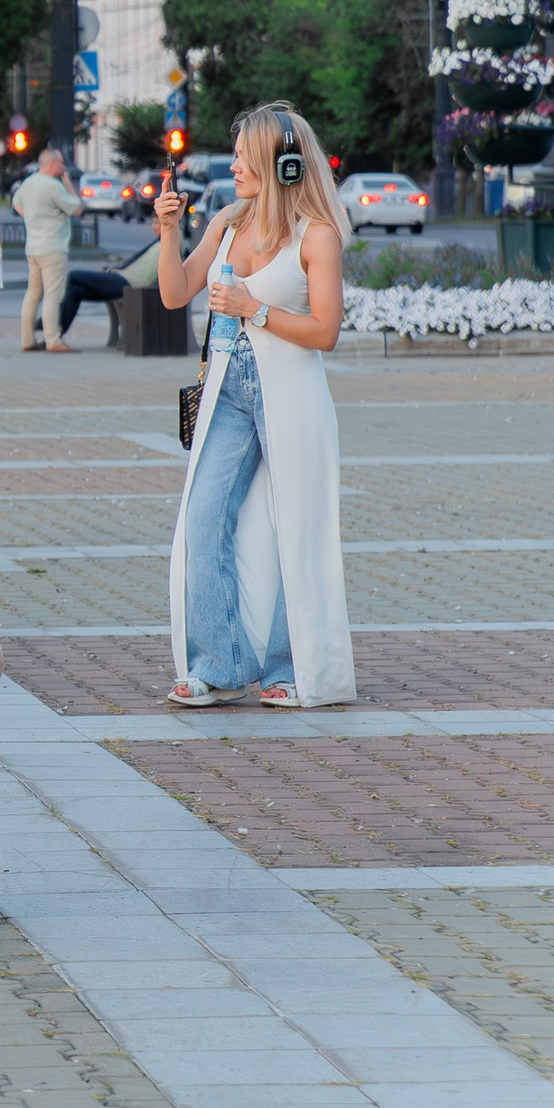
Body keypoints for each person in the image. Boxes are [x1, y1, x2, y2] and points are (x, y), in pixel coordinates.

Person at [153, 104, 354, 710]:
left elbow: (326, 331)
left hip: (290, 395)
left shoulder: (315, 235)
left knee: (297, 523)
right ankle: (219, 664)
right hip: (228, 394)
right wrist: (168, 230)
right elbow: (173, 293)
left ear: (281, 162)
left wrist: (254, 309)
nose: (234, 164)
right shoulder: (228, 222)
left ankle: (293, 668)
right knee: (202, 519)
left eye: (244, 155)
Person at [11, 149, 83, 354]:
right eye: (61, 163)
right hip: (53, 248)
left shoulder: (29, 183)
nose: (64, 167)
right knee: (53, 295)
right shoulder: (53, 186)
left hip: (32, 247)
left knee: (33, 293)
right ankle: (53, 340)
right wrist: (68, 184)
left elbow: (16, 203)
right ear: (52, 164)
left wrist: (31, 217)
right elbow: (76, 209)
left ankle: (26, 339)